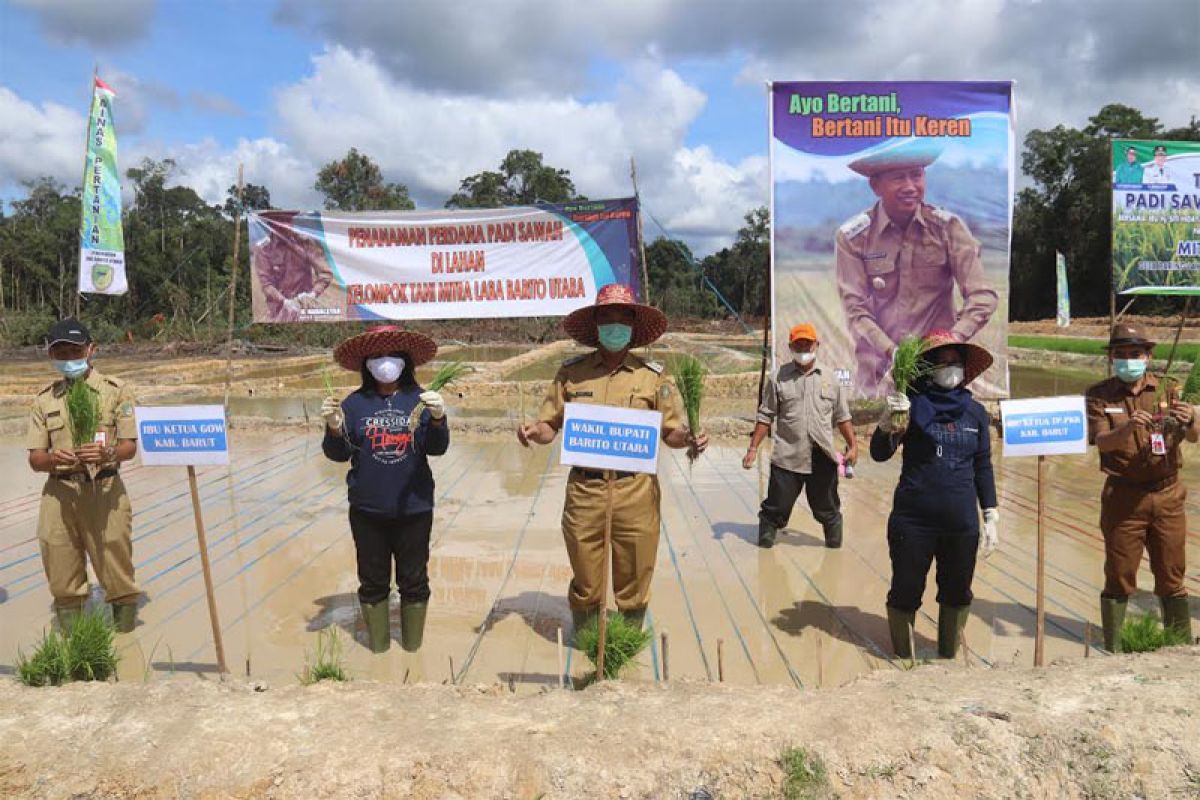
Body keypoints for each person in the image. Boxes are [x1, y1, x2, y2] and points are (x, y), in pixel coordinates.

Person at [517, 283, 708, 635]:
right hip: (585, 492)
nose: (615, 324)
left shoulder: (653, 376)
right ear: (596, 325)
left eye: (623, 317)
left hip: (635, 492)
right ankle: (591, 647)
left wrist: (691, 439)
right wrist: (533, 432)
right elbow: (549, 426)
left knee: (634, 579)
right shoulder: (571, 374)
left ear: (633, 327)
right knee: (587, 581)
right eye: (607, 317)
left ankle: (625, 649)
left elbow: (670, 432)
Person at [870, 330, 998, 660]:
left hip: (961, 523)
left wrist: (990, 513)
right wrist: (887, 424)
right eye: (941, 363)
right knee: (906, 589)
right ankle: (903, 658)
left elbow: (982, 465)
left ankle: (947, 656)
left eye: (955, 363)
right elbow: (879, 454)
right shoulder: (910, 406)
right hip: (913, 521)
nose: (949, 369)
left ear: (965, 368)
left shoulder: (976, 414)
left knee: (957, 591)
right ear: (926, 369)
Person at [321, 326, 449, 653]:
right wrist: (334, 428)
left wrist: (437, 419)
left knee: (414, 581)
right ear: (366, 363)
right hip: (368, 510)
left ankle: (411, 652)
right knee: (373, 582)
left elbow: (436, 449)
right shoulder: (354, 404)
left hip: (414, 508)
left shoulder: (419, 400)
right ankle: (378, 651)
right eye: (377, 356)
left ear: (405, 361)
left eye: (392, 355)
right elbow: (338, 454)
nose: (385, 362)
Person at [836, 143, 999, 397]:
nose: (910, 186)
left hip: (939, 370)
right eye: (899, 177)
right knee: (878, 434)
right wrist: (894, 352)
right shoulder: (854, 237)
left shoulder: (947, 228)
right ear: (876, 186)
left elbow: (982, 296)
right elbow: (855, 310)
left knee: (939, 432)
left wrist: (950, 339)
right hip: (879, 373)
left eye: (917, 175)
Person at [1085, 324, 1196, 651]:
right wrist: (1128, 428)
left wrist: (1191, 418)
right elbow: (1101, 442)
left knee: (1172, 573)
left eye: (1135, 354)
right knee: (1119, 574)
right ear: (1111, 358)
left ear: (1148, 356)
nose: (1128, 360)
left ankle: (1178, 647)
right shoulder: (1099, 395)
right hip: (1123, 497)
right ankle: (1115, 650)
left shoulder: (1169, 388)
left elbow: (1192, 436)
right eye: (1120, 355)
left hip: (1168, 495)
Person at [25, 318, 140, 632]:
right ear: (51, 356)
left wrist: (109, 454)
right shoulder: (44, 399)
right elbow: (35, 459)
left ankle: (125, 643)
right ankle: (76, 647)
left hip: (104, 491)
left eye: (74, 350)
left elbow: (130, 446)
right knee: (61, 571)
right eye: (60, 351)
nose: (68, 357)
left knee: (116, 571)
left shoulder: (116, 392)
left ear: (91, 349)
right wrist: (52, 458)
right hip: (59, 493)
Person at [743, 322, 857, 549]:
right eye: (799, 344)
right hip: (788, 455)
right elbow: (766, 415)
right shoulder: (779, 378)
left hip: (822, 456)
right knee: (777, 505)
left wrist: (852, 445)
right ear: (790, 347)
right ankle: (766, 533)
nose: (804, 348)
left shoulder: (830, 379)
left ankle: (833, 540)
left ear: (817, 345)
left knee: (827, 507)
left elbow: (842, 416)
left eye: (808, 343)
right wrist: (753, 448)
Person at [252, 210, 335, 322]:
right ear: (270, 224)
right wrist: (285, 302)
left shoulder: (305, 242)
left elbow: (326, 273)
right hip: (278, 311)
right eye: (280, 221)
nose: (286, 224)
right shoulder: (264, 249)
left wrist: (312, 294)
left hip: (305, 308)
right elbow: (266, 285)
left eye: (288, 220)